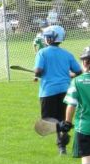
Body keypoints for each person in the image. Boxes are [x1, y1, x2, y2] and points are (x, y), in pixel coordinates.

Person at [34, 25, 82, 155]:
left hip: (48, 91)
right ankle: (62, 146)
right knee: (62, 118)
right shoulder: (67, 54)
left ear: (50, 38)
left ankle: (63, 132)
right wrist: (70, 75)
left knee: (47, 120)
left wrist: (37, 74)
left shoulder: (42, 52)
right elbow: (78, 71)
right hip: (66, 91)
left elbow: (38, 71)